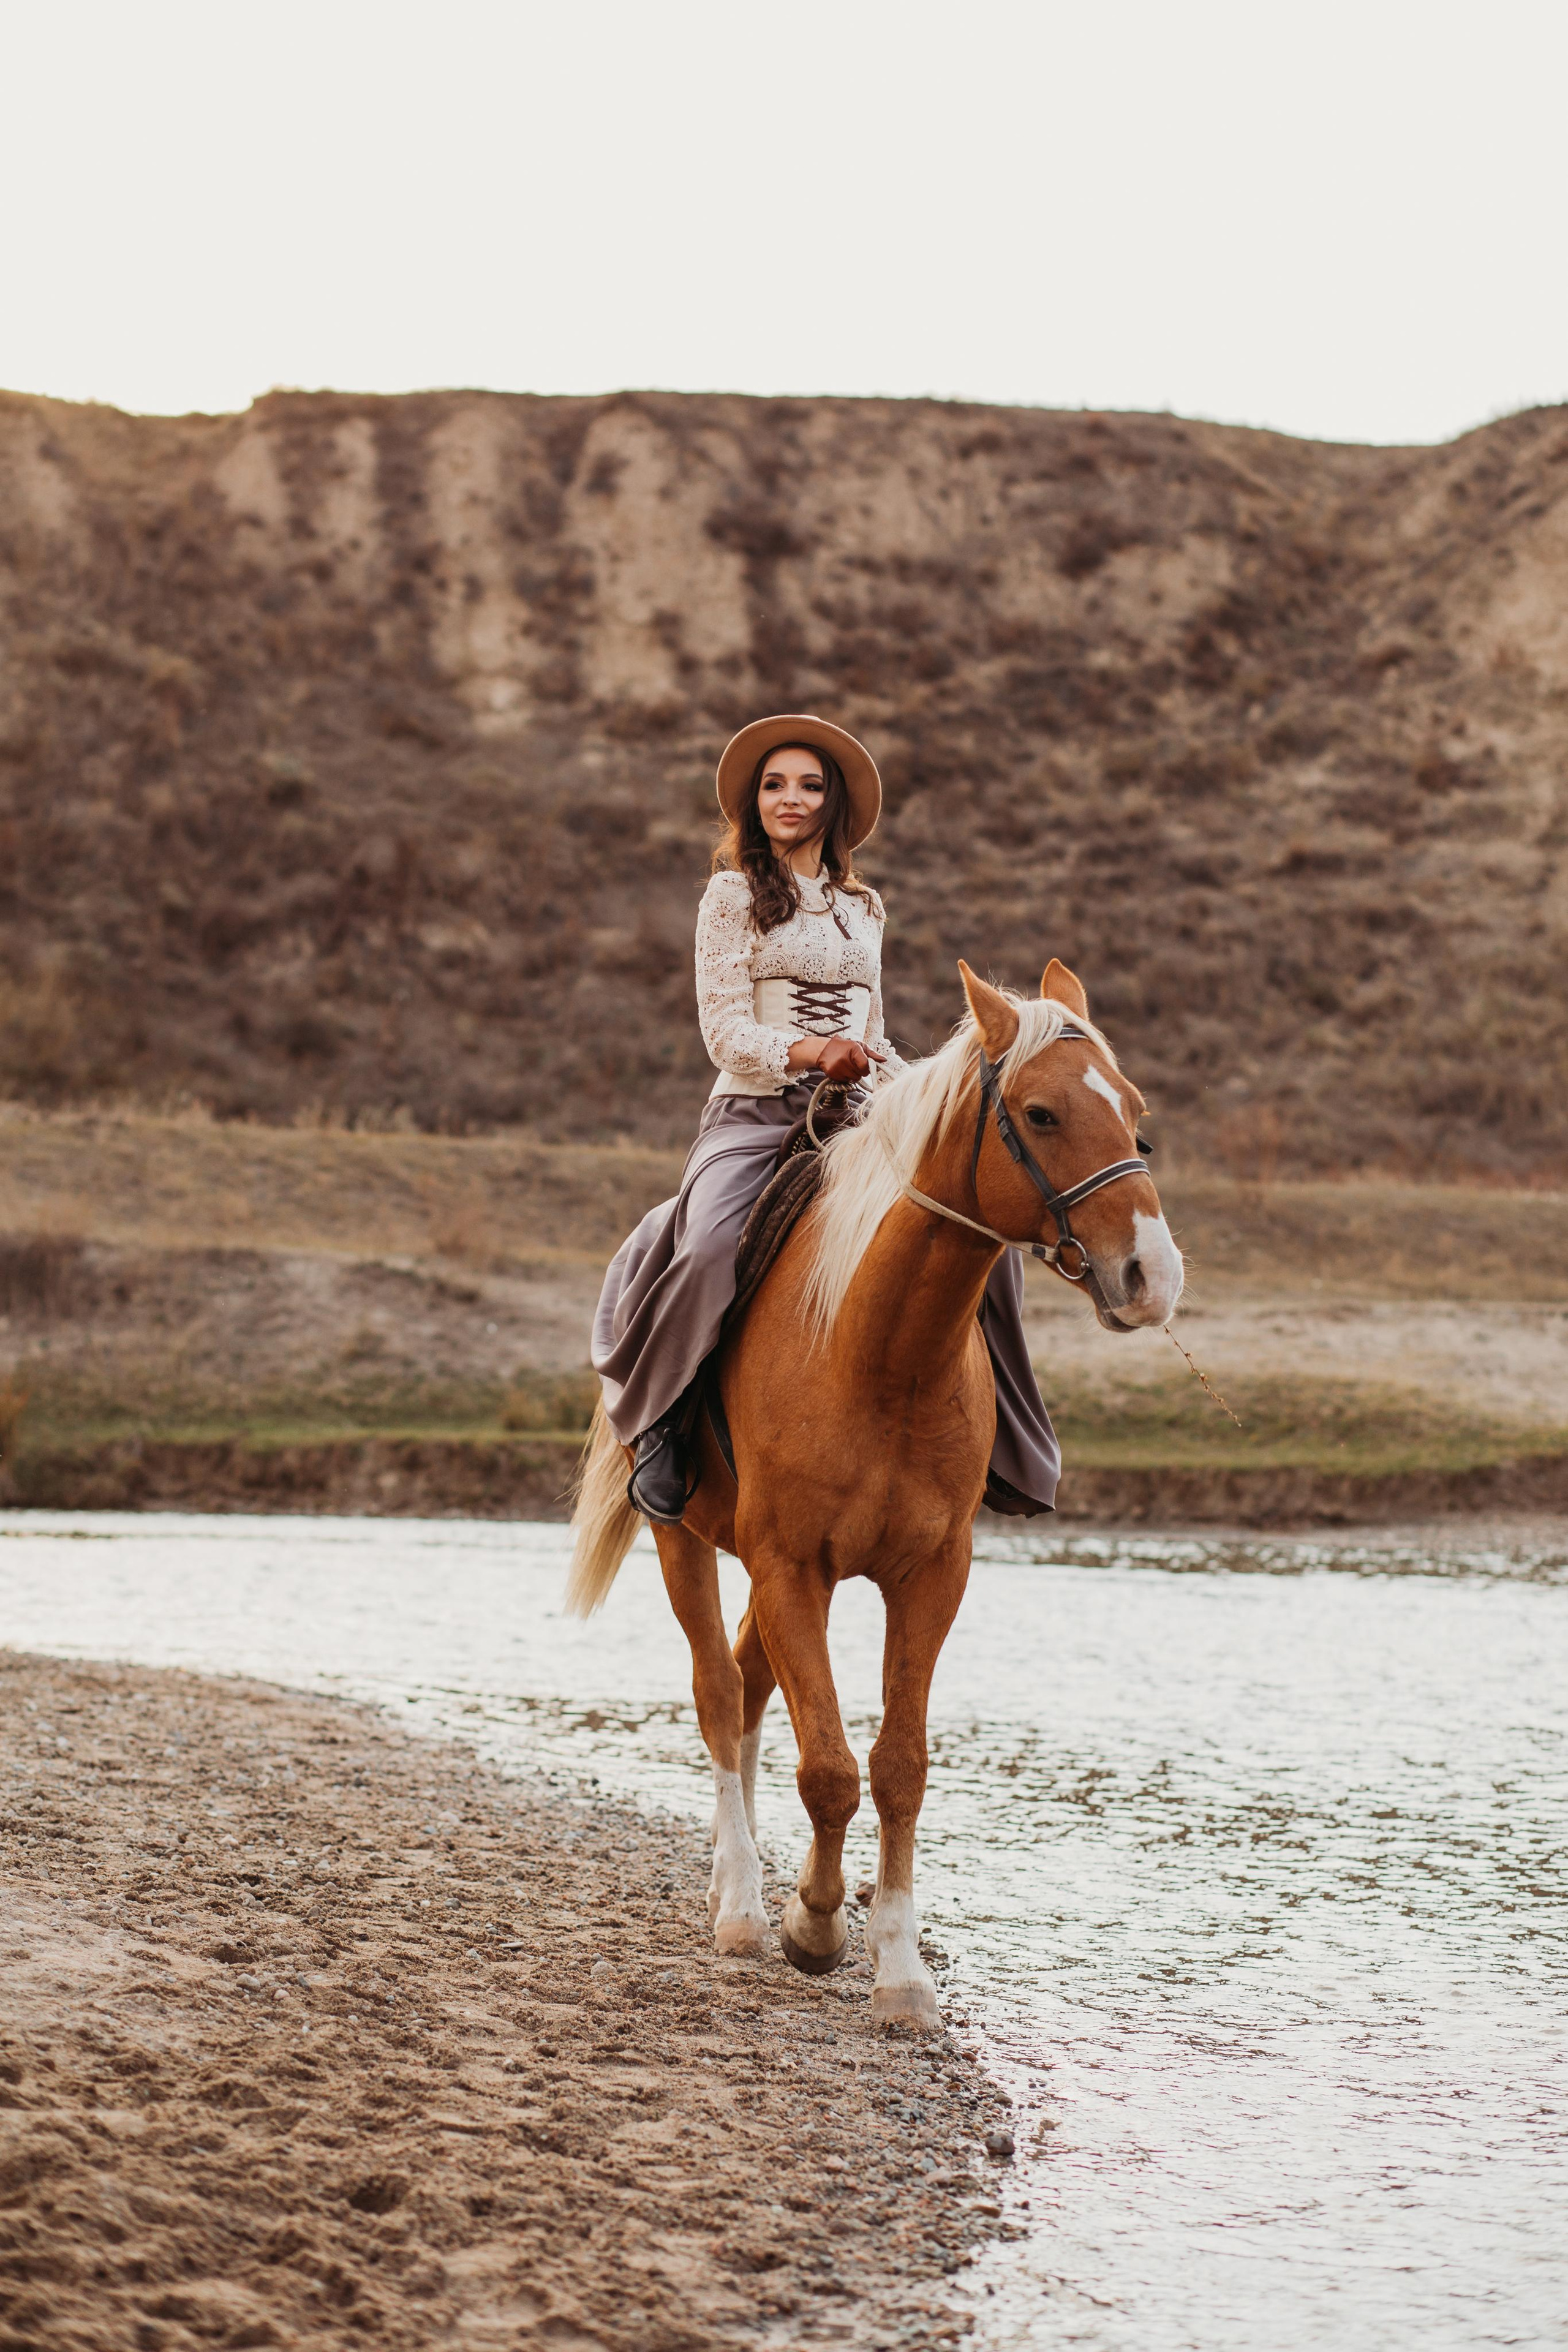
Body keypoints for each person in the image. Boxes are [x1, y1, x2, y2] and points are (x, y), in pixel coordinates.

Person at [590, 714, 1060, 1523]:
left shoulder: (864, 907)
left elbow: (870, 1036)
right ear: (754, 801)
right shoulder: (732, 894)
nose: (790, 798)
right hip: (751, 1112)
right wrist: (813, 1053)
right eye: (774, 785)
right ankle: (662, 1433)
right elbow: (725, 1031)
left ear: (833, 804)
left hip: (855, 1116)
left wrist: (923, 1087)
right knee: (705, 1247)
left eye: (808, 785)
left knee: (987, 1238)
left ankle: (1008, 1446)